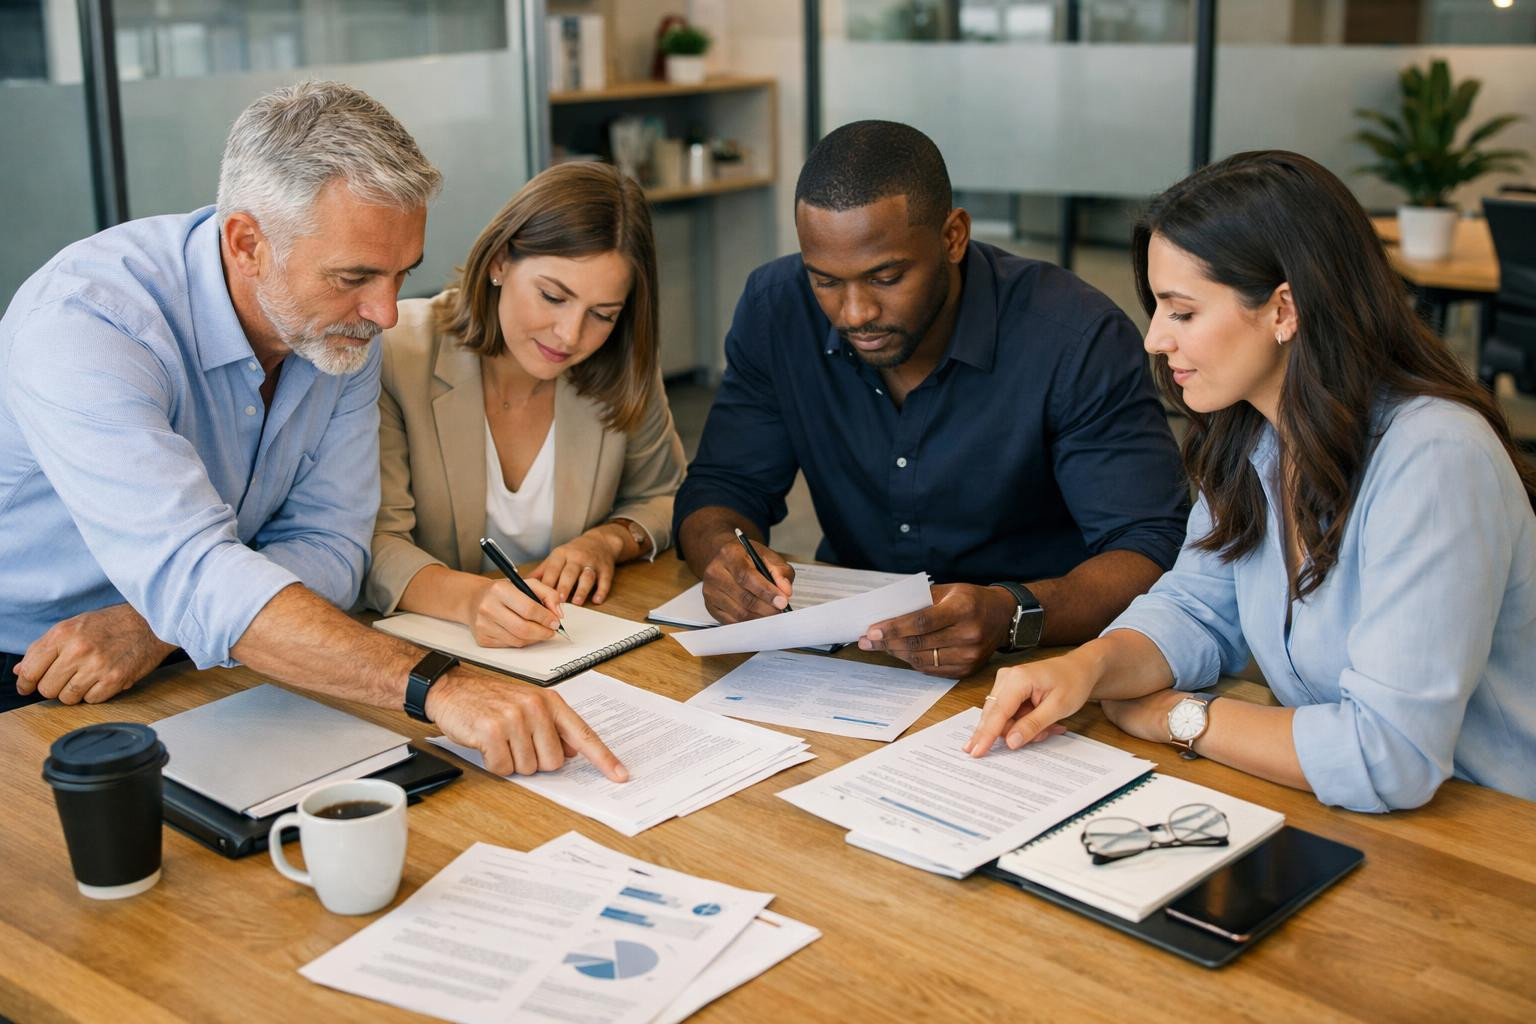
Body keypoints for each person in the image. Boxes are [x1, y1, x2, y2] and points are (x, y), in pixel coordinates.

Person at [0, 82, 624, 781]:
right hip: (30, 670)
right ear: (247, 244)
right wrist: (441, 687)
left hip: (212, 650)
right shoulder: (88, 323)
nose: (387, 312)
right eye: (355, 276)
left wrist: (155, 625)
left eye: (401, 275)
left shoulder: (338, 331)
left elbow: (332, 547)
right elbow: (191, 573)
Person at [967, 150, 1536, 810]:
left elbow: (1387, 755)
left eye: (1182, 312)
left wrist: (1181, 718)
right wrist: (1087, 667)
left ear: (1283, 310)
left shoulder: (1435, 458)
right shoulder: (1256, 435)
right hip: (1351, 812)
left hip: (1494, 832)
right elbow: (1196, 609)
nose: (1154, 340)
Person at [673, 120, 1188, 678]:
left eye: (886, 277)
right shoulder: (776, 308)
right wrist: (724, 557)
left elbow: (1151, 546)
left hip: (1043, 660)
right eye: (825, 281)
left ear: (953, 237)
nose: (855, 313)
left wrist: (1011, 613)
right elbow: (724, 485)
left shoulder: (1075, 337)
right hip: (849, 655)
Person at [365, 162, 685, 647]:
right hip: (428, 646)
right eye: (553, 296)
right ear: (499, 262)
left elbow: (668, 496)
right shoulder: (396, 354)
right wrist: (471, 600)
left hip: (566, 642)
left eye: (602, 314)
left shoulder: (620, 362)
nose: (570, 335)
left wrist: (607, 541)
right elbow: (376, 543)